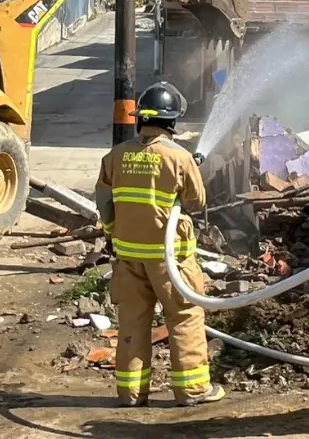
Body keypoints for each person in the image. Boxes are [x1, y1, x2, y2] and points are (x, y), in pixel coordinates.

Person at [93, 82, 225, 408]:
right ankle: (193, 391)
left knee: (133, 323)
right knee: (185, 318)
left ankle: (131, 394)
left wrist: (113, 233)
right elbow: (196, 201)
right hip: (171, 262)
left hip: (128, 259)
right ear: (171, 122)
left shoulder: (115, 156)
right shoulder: (179, 158)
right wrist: (185, 168)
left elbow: (105, 203)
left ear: (140, 120)